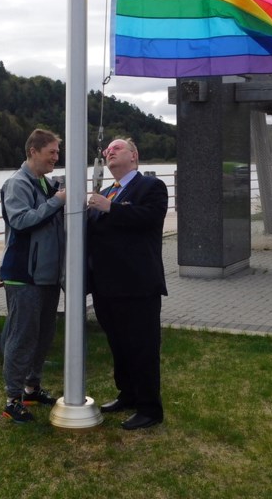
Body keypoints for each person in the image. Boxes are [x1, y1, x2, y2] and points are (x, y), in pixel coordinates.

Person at [86, 137, 168, 430]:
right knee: (117, 345)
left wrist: (111, 208)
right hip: (106, 286)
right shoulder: (106, 191)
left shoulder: (151, 187)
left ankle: (150, 408)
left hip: (138, 285)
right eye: (107, 150)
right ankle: (127, 394)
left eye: (116, 148)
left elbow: (149, 218)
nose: (109, 152)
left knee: (142, 347)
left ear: (134, 156)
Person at [0, 128, 66, 423]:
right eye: (51, 152)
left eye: (57, 152)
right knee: (22, 336)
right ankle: (12, 399)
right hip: (23, 274)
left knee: (43, 335)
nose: (56, 157)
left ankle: (31, 388)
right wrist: (57, 202)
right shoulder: (17, 183)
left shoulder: (46, 183)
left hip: (48, 275)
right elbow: (21, 220)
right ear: (33, 152)